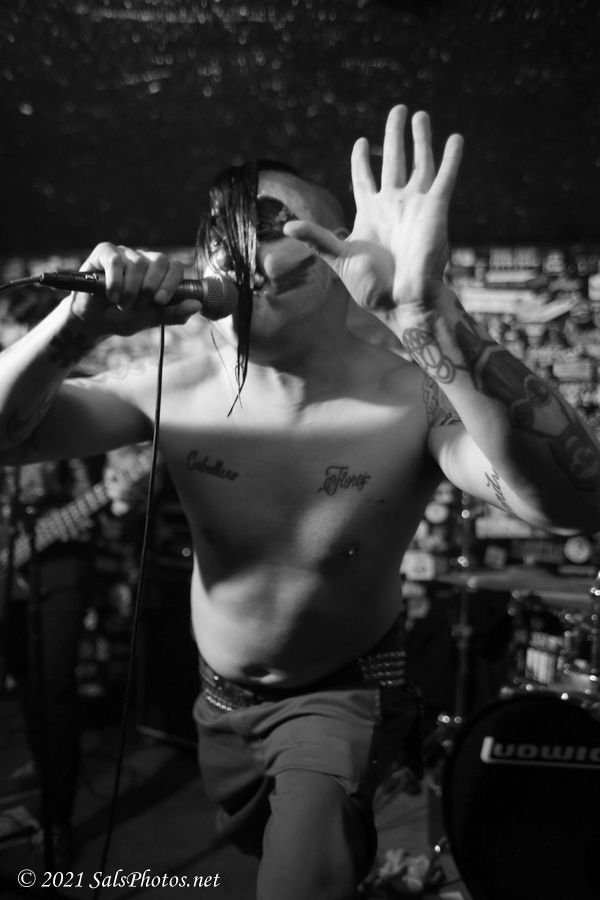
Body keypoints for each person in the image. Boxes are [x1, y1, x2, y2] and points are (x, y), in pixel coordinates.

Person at [0, 105, 599, 898]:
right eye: (221, 231)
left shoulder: (408, 399)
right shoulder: (177, 381)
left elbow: (572, 505)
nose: (236, 247)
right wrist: (76, 327)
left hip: (339, 698)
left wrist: (430, 317)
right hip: (217, 705)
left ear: (338, 253)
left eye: (268, 223)